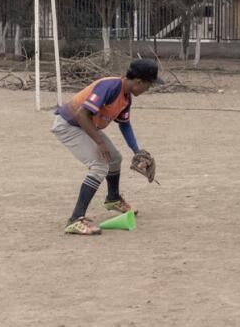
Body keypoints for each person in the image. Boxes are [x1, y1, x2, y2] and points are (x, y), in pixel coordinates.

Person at [52, 59, 163, 235]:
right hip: (69, 125)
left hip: (86, 126)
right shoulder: (109, 87)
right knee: (100, 165)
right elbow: (82, 115)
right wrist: (100, 143)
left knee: (115, 158)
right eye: (149, 85)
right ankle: (75, 220)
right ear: (138, 82)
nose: (148, 89)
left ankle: (113, 198)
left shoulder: (126, 98)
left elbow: (124, 124)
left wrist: (137, 151)